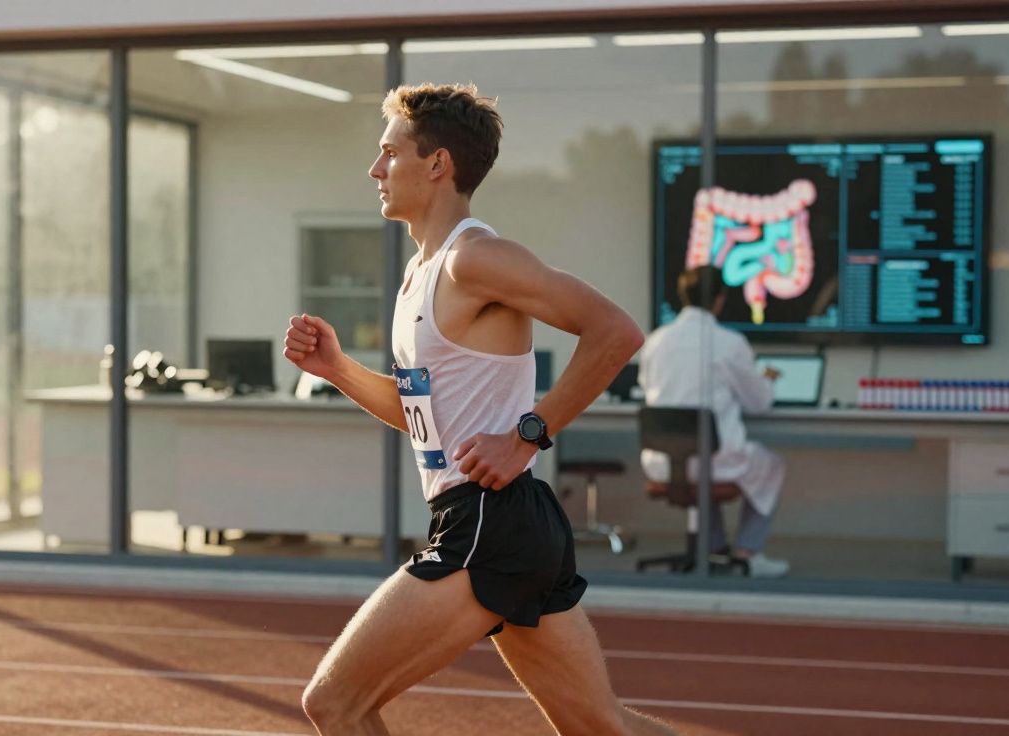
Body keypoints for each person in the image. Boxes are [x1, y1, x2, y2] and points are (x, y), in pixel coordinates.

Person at [283, 83, 679, 735]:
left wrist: (528, 434)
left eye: (389, 153)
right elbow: (423, 419)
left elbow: (616, 332)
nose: (375, 170)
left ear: (437, 164)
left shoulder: (476, 258)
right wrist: (338, 372)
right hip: (505, 521)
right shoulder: (422, 273)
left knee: (335, 703)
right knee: (603, 727)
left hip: (488, 518)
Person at [638, 265, 790, 579]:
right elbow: (759, 403)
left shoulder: (655, 340)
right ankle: (747, 553)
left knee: (706, 459)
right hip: (712, 460)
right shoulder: (729, 342)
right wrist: (766, 381)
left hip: (663, 461)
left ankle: (716, 549)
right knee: (769, 464)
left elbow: (645, 386)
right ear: (719, 300)